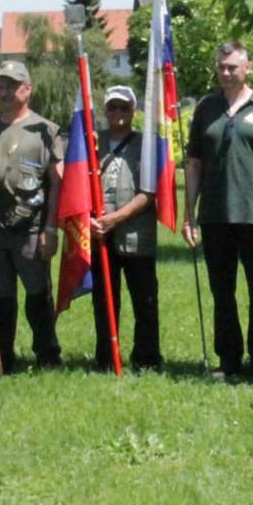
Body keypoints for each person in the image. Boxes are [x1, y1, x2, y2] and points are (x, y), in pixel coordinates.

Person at [182, 42, 253, 383]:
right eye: (222, 67)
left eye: (233, 67)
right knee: (222, 292)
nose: (226, 73)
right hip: (214, 216)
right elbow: (194, 162)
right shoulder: (206, 108)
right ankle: (228, 360)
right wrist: (189, 214)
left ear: (248, 68)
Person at [0, 61, 61, 377]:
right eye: (1, 86)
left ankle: (48, 356)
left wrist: (51, 227)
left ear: (28, 88)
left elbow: (57, 182)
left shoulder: (45, 130)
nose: (5, 92)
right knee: (0, 301)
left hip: (31, 229)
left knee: (38, 298)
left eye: (12, 85)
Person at [91, 84, 163, 372]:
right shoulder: (92, 144)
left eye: (124, 107)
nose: (118, 112)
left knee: (144, 301)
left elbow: (150, 191)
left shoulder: (147, 145)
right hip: (100, 236)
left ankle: (147, 358)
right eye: (112, 107)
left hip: (137, 236)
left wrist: (117, 217)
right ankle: (107, 358)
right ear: (105, 110)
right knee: (105, 302)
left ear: (134, 111)